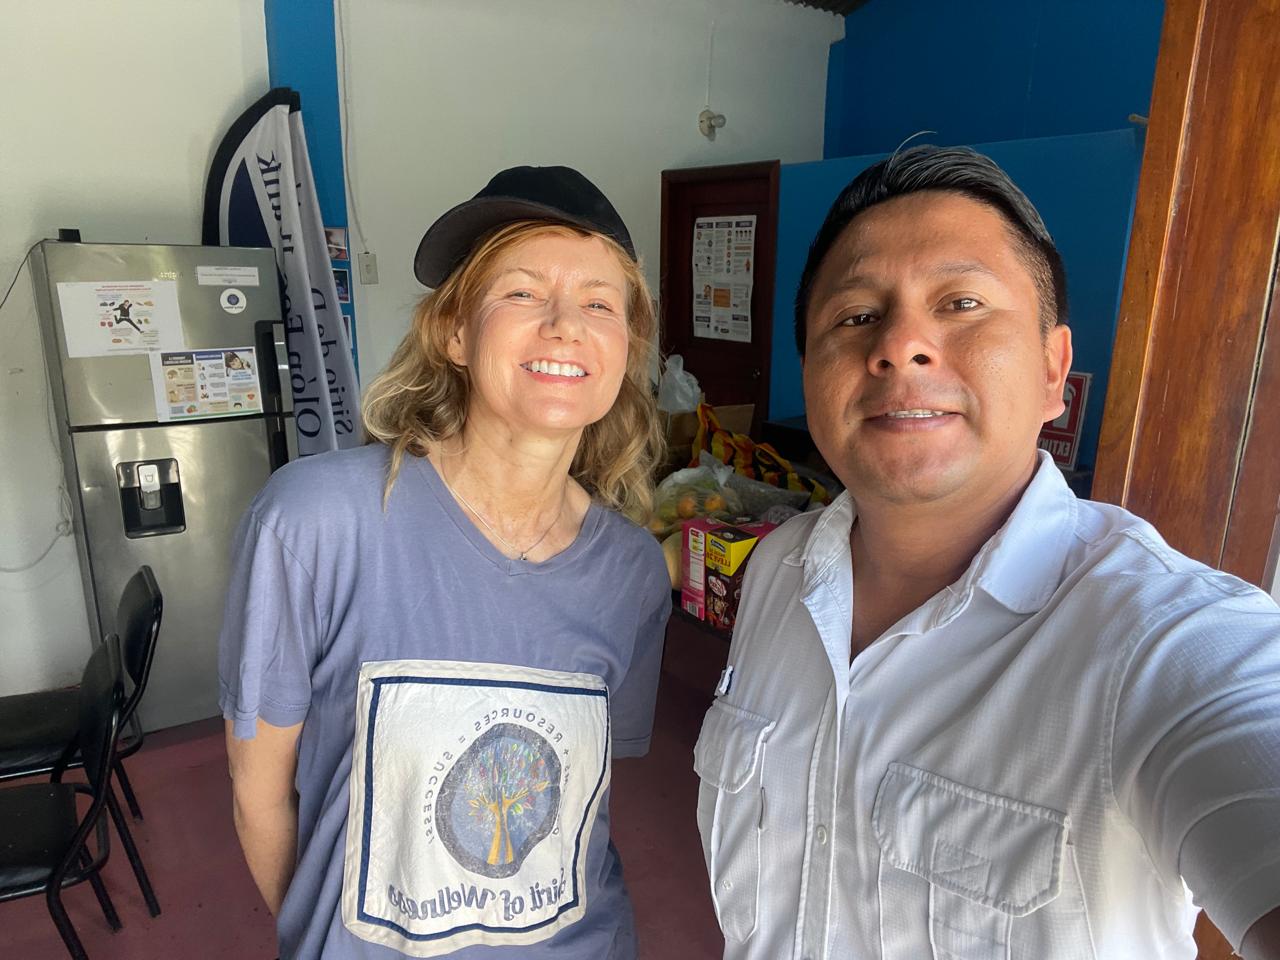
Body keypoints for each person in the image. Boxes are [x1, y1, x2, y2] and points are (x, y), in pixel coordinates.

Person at [694, 146, 1280, 959]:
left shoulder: (1167, 639)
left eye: (962, 303)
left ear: (1052, 370)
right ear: (809, 372)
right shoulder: (775, 571)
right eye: (856, 316)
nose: (901, 345)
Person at [219, 165, 671, 959]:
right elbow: (258, 795)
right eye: (523, 292)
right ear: (456, 333)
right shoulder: (317, 522)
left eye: (600, 304)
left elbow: (580, 810)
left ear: (625, 349)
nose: (565, 325)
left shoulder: (632, 570)